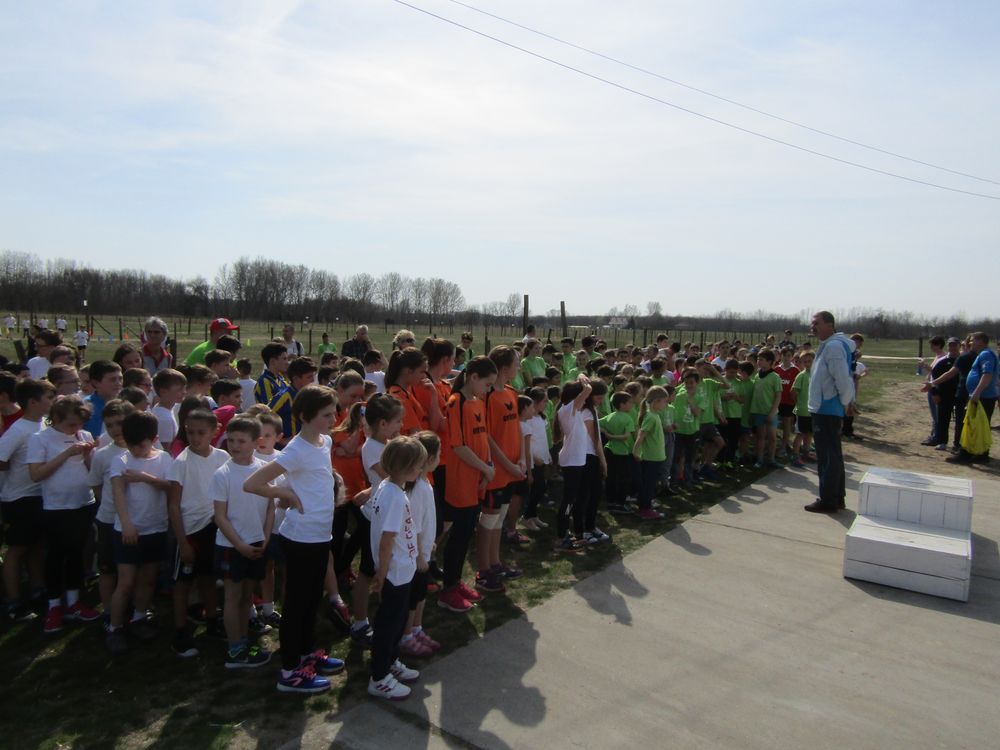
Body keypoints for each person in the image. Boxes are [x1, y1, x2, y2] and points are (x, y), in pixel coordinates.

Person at [243, 385, 344, 695]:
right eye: (326, 415)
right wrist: (283, 493)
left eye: (334, 413)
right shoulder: (295, 450)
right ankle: (289, 671)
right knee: (297, 603)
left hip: (320, 534)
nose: (333, 419)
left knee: (312, 599)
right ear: (304, 416)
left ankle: (306, 652)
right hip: (300, 537)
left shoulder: (325, 441)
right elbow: (253, 483)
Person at [27, 395, 100, 633]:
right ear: (56, 418)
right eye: (71, 424)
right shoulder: (40, 439)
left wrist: (88, 456)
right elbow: (36, 474)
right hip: (57, 507)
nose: (76, 428)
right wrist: (67, 454)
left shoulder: (84, 435)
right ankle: (54, 604)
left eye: (80, 424)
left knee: (77, 552)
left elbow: (92, 471)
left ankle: (74, 600)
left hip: (83, 502)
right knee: (56, 555)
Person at [106, 411, 174, 655]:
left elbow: (170, 487)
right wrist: (126, 524)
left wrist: (144, 477)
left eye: (141, 445)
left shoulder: (164, 459)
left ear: (154, 439)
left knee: (148, 579)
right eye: (131, 445)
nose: (136, 450)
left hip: (156, 528)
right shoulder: (121, 461)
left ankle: (139, 617)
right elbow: (118, 493)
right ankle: (114, 627)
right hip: (129, 530)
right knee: (125, 583)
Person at [212, 416, 275, 669]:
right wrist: (239, 545)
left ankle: (243, 639)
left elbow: (270, 506)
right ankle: (235, 649)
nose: (235, 446)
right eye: (231, 440)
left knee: (247, 595)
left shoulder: (264, 469)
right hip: (232, 546)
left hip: (257, 543)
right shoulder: (223, 474)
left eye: (241, 441)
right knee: (233, 596)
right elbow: (219, 516)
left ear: (256, 442)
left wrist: (266, 536)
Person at [166, 408, 228, 658]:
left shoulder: (222, 457)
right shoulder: (181, 462)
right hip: (190, 531)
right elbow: (173, 505)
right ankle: (180, 632)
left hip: (213, 526)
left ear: (215, 431)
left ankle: (212, 620)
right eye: (190, 432)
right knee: (183, 583)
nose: (195, 437)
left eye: (201, 432)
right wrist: (183, 542)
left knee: (208, 578)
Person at [366, 436, 424, 700]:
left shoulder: (390, 488)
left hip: (403, 570)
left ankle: (390, 662)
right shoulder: (394, 496)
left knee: (399, 621)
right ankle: (379, 677)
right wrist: (381, 574)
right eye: (418, 465)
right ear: (407, 468)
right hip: (394, 573)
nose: (421, 470)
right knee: (388, 625)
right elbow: (386, 539)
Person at [438, 356, 495, 613]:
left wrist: (488, 466)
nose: (488, 389)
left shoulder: (478, 401)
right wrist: (485, 468)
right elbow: (458, 446)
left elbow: (483, 437)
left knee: (466, 532)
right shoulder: (456, 402)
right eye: (487, 384)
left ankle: (456, 581)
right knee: (459, 537)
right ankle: (448, 590)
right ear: (473, 377)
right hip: (462, 481)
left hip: (478, 479)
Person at [0, 379, 54, 621]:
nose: (52, 402)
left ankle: (37, 589)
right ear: (33, 402)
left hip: (39, 495)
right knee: (17, 549)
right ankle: (13, 601)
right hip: (19, 497)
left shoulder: (43, 423)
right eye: (48, 398)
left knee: (36, 545)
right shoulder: (19, 429)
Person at [804, 311, 856, 514]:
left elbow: (842, 378)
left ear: (830, 325)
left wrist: (845, 401)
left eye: (816, 323)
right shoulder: (830, 345)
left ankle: (828, 500)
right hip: (826, 407)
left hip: (827, 408)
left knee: (827, 457)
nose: (813, 326)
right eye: (812, 323)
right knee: (833, 455)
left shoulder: (833, 347)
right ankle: (837, 497)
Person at [87, 399, 134, 620]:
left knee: (132, 569)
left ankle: (133, 608)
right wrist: (108, 502)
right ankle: (108, 610)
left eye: (120, 423)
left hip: (136, 519)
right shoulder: (103, 454)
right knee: (108, 569)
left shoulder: (145, 450)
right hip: (108, 519)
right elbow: (95, 483)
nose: (115, 429)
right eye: (109, 425)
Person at [946, 331, 997, 464]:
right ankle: (981, 454)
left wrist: (977, 392)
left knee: (971, 424)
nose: (970, 343)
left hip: (982, 397)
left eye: (973, 340)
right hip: (983, 396)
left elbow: (987, 374)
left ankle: (965, 454)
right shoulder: (983, 354)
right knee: (980, 426)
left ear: (981, 341)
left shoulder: (986, 354)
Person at [921, 337, 961, 450]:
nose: (952, 347)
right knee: (943, 418)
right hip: (944, 394)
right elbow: (933, 377)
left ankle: (958, 443)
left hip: (960, 394)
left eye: (954, 345)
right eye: (950, 345)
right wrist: (934, 393)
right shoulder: (942, 361)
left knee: (960, 420)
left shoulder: (963, 360)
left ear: (959, 346)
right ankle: (942, 441)